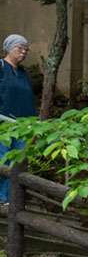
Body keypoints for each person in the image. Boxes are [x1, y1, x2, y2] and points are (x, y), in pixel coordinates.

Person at [0, 34, 35, 205]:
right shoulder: (1, 66)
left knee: (18, 161)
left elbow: (29, 99)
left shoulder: (24, 74)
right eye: (20, 48)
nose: (23, 52)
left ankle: (9, 198)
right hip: (3, 122)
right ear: (9, 48)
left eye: (26, 49)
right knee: (3, 157)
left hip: (23, 125)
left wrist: (34, 124)